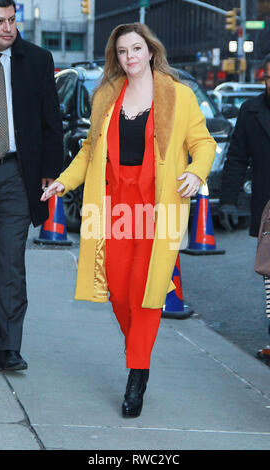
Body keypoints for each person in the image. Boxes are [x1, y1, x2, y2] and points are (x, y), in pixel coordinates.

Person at [42, 22, 216, 417]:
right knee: (119, 291)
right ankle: (139, 349)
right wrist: (63, 183)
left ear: (150, 51)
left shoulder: (178, 95)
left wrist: (196, 172)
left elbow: (202, 143)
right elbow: (89, 151)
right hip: (113, 207)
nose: (130, 57)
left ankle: (137, 373)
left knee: (148, 291)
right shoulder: (105, 94)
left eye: (136, 49)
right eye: (122, 51)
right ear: (115, 56)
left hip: (159, 208)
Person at [0, 0, 64, 371]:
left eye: (11, 20)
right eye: (0, 22)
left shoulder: (38, 60)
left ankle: (8, 347)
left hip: (15, 173)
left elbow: (50, 119)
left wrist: (52, 169)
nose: (7, 28)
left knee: (10, 261)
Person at [219, 54, 270, 359]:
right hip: (268, 209)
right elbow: (237, 158)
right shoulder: (250, 111)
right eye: (269, 78)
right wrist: (227, 200)